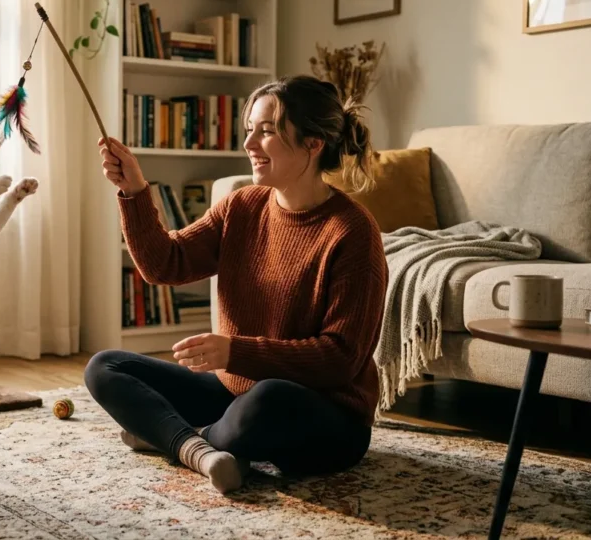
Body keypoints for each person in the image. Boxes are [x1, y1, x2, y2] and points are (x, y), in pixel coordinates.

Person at [84, 75, 389, 494]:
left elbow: (340, 359)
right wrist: (134, 189)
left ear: (313, 143)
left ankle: (175, 437)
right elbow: (164, 264)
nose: (249, 143)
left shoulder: (352, 232)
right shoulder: (241, 206)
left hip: (324, 416)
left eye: (266, 131)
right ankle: (205, 448)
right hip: (234, 393)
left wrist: (234, 351)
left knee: (266, 401)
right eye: (249, 129)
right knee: (106, 367)